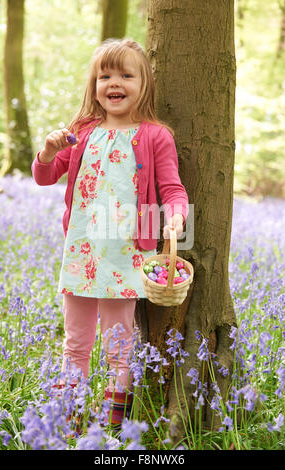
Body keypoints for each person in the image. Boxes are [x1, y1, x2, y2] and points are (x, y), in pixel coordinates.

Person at [32, 38, 189, 427]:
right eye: (105, 75)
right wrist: (49, 153)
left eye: (125, 75)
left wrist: (175, 218)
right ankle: (69, 421)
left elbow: (172, 189)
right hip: (82, 250)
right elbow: (46, 176)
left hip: (126, 253)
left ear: (144, 83)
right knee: (76, 343)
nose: (113, 82)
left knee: (119, 345)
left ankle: (113, 426)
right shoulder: (81, 131)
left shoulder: (155, 135)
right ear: (94, 84)